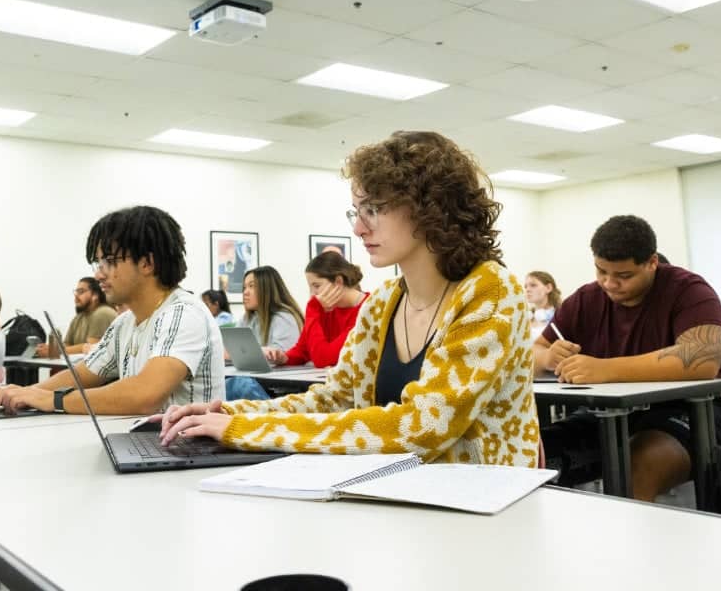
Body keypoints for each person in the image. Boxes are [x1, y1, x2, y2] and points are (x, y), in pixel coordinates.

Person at [156, 131, 539, 466]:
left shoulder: (490, 290)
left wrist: (248, 428)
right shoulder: (383, 302)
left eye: (373, 209)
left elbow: (424, 428)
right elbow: (336, 399)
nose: (358, 228)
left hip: (482, 511)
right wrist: (227, 412)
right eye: (356, 212)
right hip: (400, 495)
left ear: (430, 208)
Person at [535, 215, 721, 501]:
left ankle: (627, 543)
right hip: (612, 413)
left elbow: (701, 360)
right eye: (601, 271)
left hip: (697, 413)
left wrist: (605, 369)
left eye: (624, 276)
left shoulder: (689, 291)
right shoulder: (586, 299)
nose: (610, 283)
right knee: (537, 454)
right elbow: (534, 351)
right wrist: (547, 356)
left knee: (637, 469)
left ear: (651, 263)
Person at [0, 206, 224, 415]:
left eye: (110, 262)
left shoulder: (183, 313)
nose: (99, 274)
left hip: (187, 452)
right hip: (145, 444)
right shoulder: (124, 323)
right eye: (99, 263)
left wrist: (52, 399)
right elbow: (82, 375)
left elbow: (145, 395)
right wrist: (23, 394)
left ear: (147, 263)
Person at [262, 251, 369, 368]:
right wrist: (283, 357)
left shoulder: (367, 309)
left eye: (317, 286)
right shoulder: (325, 308)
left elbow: (325, 359)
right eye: (310, 287)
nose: (313, 294)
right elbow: (302, 350)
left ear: (338, 281)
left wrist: (312, 309)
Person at [224, 266, 304, 400]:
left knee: (238, 385)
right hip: (258, 379)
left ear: (268, 289)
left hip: (279, 388)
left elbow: (282, 357)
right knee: (226, 384)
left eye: (251, 286)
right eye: (244, 287)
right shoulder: (248, 318)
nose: (245, 292)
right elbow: (233, 351)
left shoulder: (284, 317)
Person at [36, 277, 116, 357]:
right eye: (76, 292)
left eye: (81, 292)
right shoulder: (79, 317)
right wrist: (51, 349)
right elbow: (66, 345)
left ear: (95, 295)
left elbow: (90, 348)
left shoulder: (102, 313)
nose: (76, 296)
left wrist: (55, 350)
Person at [524, 271, 562, 342]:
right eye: (525, 286)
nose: (527, 290)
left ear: (548, 288)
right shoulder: (525, 318)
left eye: (533, 285)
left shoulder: (561, 316)